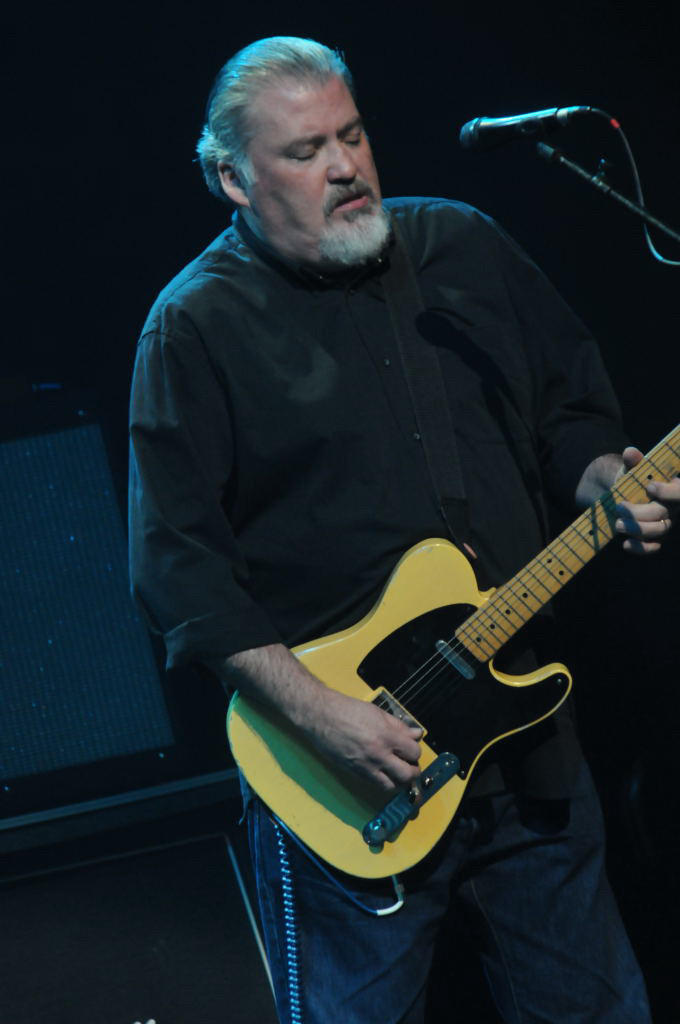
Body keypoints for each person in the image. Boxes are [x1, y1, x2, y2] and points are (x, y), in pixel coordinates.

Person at [128, 36, 678, 1023]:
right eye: (305, 152)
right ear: (233, 180)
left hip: (524, 746)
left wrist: (603, 477)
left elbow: (568, 416)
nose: (344, 167)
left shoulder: (460, 244)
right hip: (345, 778)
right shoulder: (194, 327)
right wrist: (323, 718)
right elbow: (178, 573)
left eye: (352, 136)